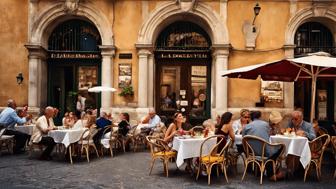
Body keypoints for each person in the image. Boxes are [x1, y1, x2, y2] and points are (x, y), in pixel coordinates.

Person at [242, 111, 284, 181]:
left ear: (251, 118)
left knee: (268, 150)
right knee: (281, 147)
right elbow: (271, 134)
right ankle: (272, 173)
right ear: (260, 117)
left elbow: (243, 139)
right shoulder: (266, 125)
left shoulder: (246, 127)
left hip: (252, 153)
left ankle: (264, 171)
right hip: (265, 152)